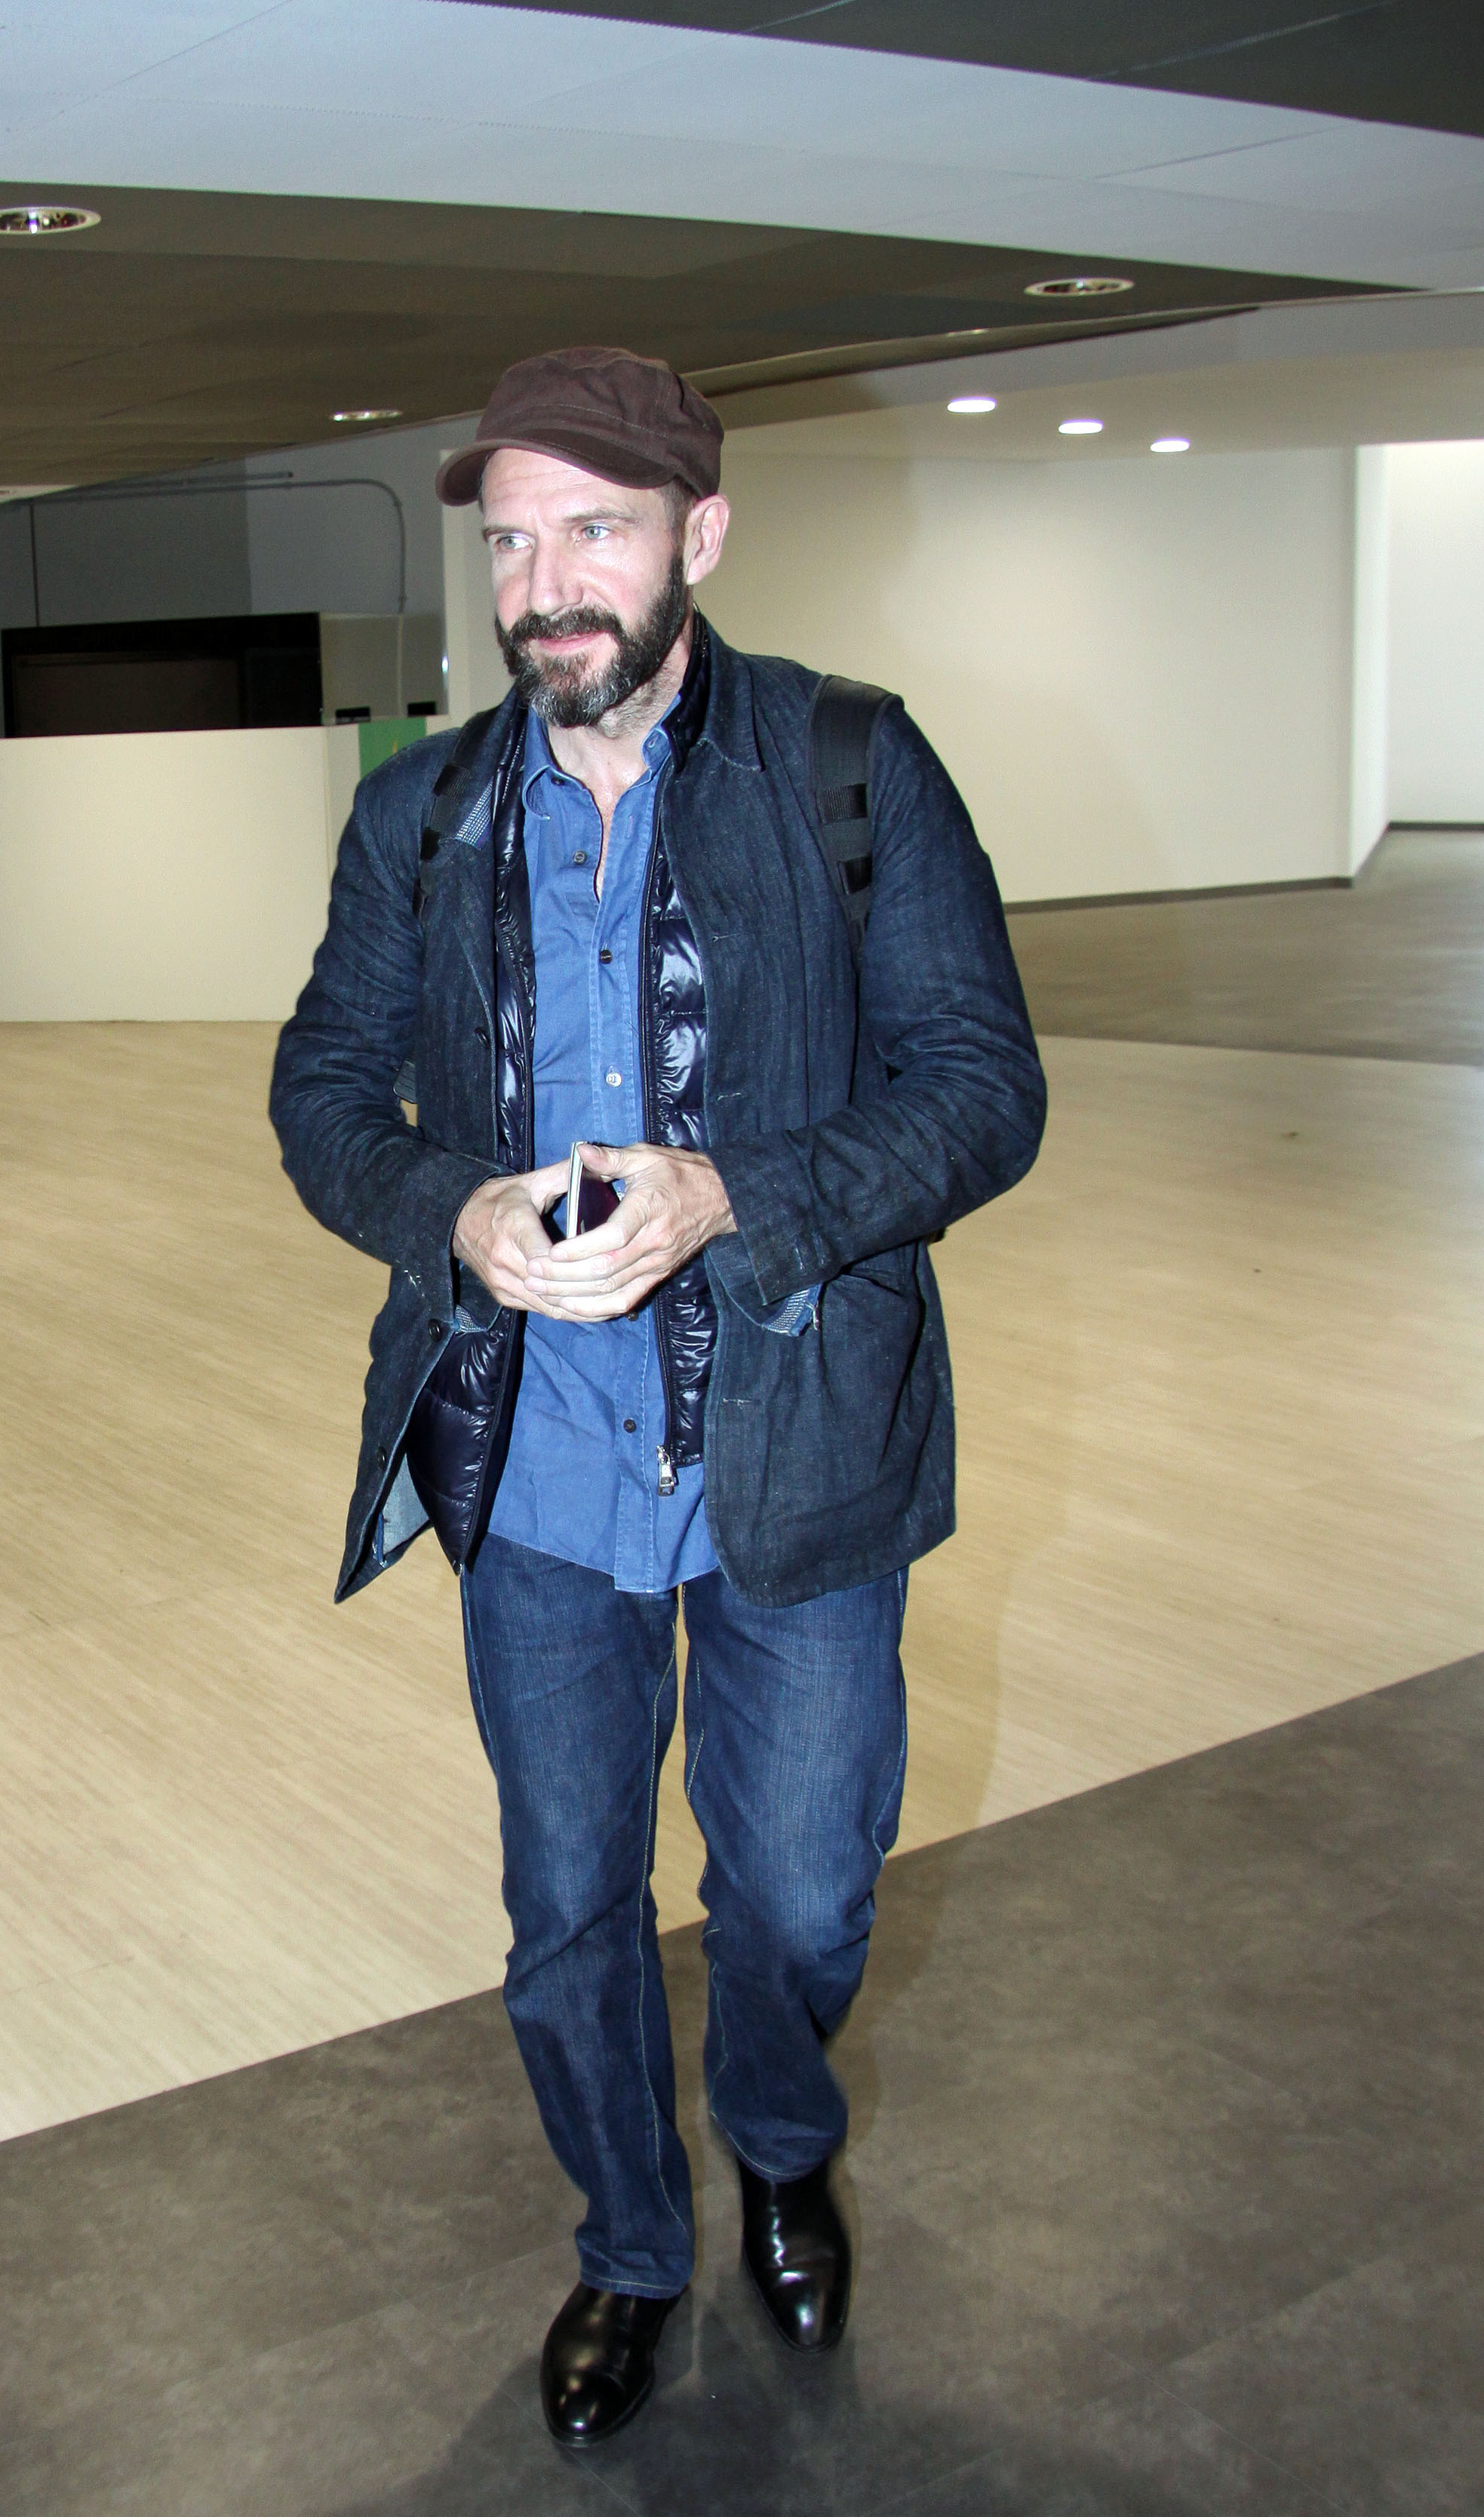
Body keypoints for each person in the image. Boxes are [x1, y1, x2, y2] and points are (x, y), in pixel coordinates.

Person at [270, 346, 1045, 2447]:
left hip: (797, 1450)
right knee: (567, 1907)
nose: (544, 586)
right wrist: (447, 1211)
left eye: (593, 531)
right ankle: (628, 2244)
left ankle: (781, 2141)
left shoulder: (851, 766)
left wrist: (735, 1195)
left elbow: (985, 1091)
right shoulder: (424, 812)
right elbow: (323, 1091)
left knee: (801, 1889)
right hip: (533, 1462)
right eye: (511, 540)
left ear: (701, 533)